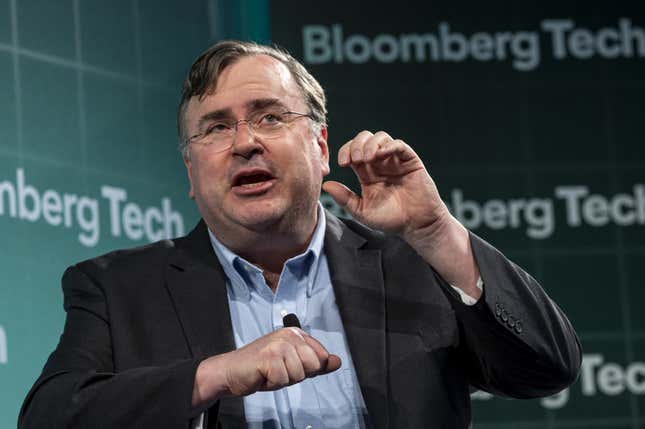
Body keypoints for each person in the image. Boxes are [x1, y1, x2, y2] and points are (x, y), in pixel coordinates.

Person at [19, 40, 581, 429]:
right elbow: (52, 417)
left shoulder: (416, 264)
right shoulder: (118, 288)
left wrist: (434, 232)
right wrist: (213, 374)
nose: (244, 143)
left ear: (319, 144)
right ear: (191, 172)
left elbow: (547, 368)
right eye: (216, 127)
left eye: (269, 116)